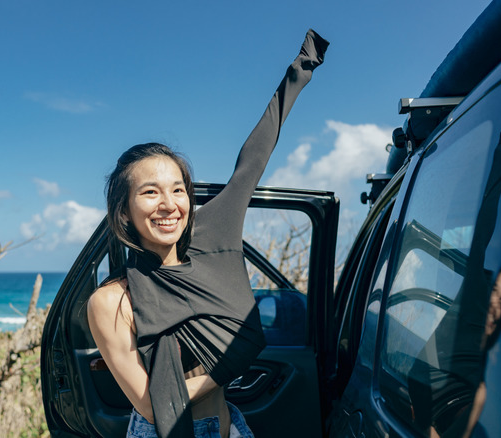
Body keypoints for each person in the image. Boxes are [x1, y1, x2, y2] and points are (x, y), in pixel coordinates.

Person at [87, 29, 328, 438]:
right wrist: (230, 362)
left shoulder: (213, 237)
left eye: (178, 189)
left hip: (232, 426)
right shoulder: (112, 301)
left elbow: (252, 161)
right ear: (124, 211)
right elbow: (151, 403)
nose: (168, 204)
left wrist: (300, 70)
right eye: (150, 192)